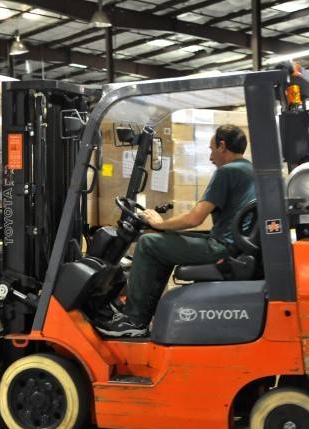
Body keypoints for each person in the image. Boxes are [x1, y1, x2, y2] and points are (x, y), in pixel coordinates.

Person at [96, 124, 257, 338]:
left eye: (211, 149)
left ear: (222, 146)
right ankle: (140, 313)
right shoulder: (250, 170)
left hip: (222, 248)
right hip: (233, 244)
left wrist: (159, 223)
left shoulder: (227, 172)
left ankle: (134, 320)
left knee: (148, 243)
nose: (210, 157)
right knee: (161, 241)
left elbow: (194, 218)